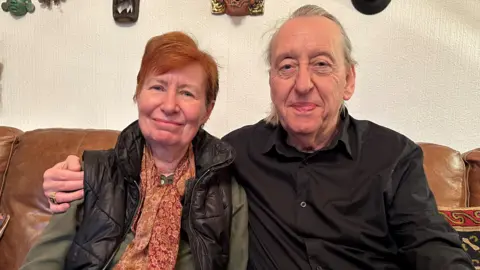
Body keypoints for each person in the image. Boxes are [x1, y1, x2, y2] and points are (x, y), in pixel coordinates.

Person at [40, 4, 474, 270]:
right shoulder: (234, 154)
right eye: (286, 66)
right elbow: (163, 144)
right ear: (272, 81)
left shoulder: (393, 155)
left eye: (321, 64)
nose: (302, 83)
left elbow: (432, 247)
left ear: (349, 80)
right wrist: (83, 169)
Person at [20, 31, 248, 270]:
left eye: (187, 93)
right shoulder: (92, 173)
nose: (169, 106)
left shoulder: (227, 195)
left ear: (207, 110)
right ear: (138, 95)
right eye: (158, 87)